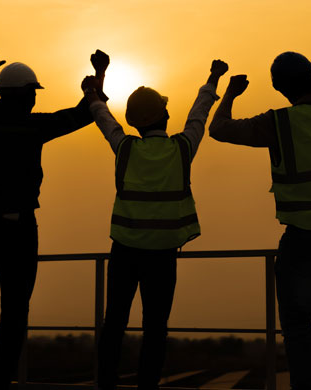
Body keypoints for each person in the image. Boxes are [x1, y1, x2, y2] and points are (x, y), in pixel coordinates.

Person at [209, 28, 311, 390]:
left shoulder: (277, 124)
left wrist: (230, 95)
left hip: (302, 241)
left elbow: (218, 129)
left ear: (280, 89)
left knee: (299, 325)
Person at [0, 50, 109, 390]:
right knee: (14, 314)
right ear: (22, 94)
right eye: (33, 93)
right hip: (19, 232)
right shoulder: (30, 126)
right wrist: (98, 78)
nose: (35, 99)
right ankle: (0, 385)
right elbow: (83, 116)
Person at [81, 59, 229, 390]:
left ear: (135, 122)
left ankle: (105, 384)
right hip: (162, 254)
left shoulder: (125, 148)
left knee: (114, 323)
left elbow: (103, 118)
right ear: (164, 115)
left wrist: (92, 91)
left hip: (124, 250)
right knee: (155, 328)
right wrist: (213, 78)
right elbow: (198, 115)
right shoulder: (182, 148)